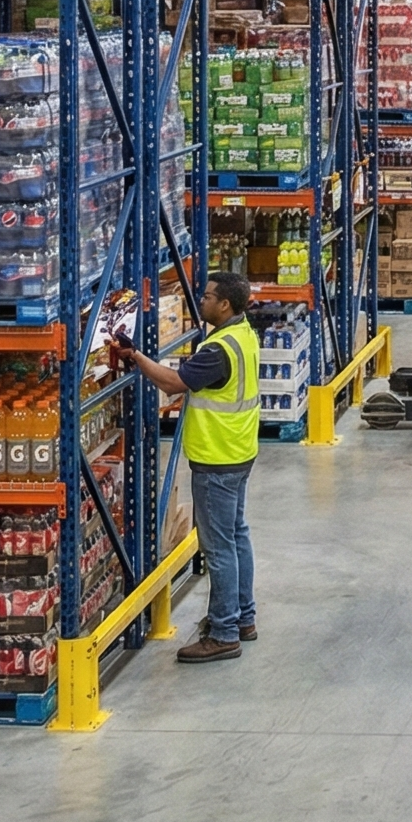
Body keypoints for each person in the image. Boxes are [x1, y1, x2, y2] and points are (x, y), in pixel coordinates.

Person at [108, 270, 260, 662]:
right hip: (239, 451)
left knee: (219, 546)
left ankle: (225, 633)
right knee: (236, 534)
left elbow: (174, 384)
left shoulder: (219, 348)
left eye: (208, 297)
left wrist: (137, 357)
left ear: (224, 304)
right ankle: (243, 617)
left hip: (217, 457)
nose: (202, 300)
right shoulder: (243, 333)